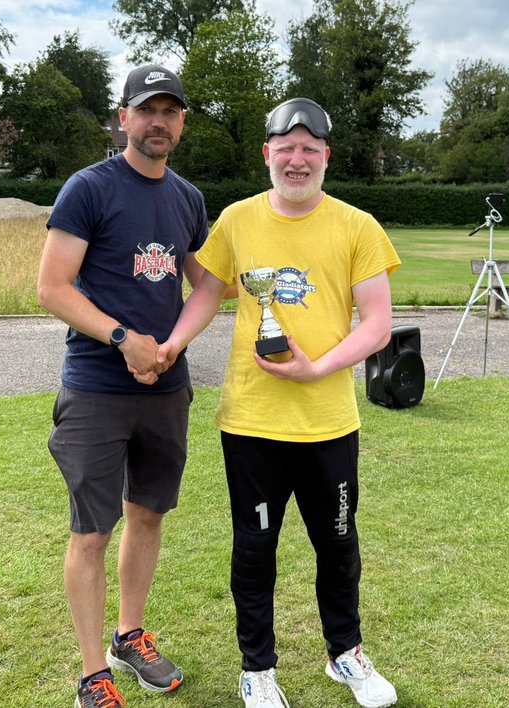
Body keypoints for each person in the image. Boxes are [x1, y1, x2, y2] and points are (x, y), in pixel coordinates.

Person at [156, 97, 400, 708]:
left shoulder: (358, 226)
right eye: (286, 148)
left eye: (309, 149)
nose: (297, 160)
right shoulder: (238, 220)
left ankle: (345, 654)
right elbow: (207, 292)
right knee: (255, 549)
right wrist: (172, 344)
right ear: (267, 154)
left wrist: (317, 367)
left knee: (338, 545)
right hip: (252, 422)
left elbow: (377, 324)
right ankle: (257, 670)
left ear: (326, 157)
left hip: (328, 423)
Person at [37, 63, 208, 708]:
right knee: (92, 531)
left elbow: (207, 284)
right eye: (146, 110)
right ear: (124, 118)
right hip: (97, 388)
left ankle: (129, 637)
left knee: (148, 514)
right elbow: (52, 287)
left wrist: (172, 345)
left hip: (165, 386)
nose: (158, 122)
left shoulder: (187, 199)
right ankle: (93, 675)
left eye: (169, 112)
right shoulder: (89, 188)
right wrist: (122, 339)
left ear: (181, 122)